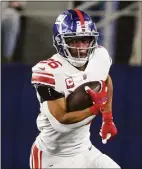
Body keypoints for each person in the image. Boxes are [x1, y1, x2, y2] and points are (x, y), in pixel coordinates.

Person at [30, 9, 120, 168]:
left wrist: (107, 117)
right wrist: (95, 109)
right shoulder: (50, 71)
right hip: (53, 156)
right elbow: (61, 121)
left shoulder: (99, 57)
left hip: (84, 150)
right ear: (60, 41)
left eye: (85, 40)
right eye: (74, 41)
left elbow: (105, 79)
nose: (82, 47)